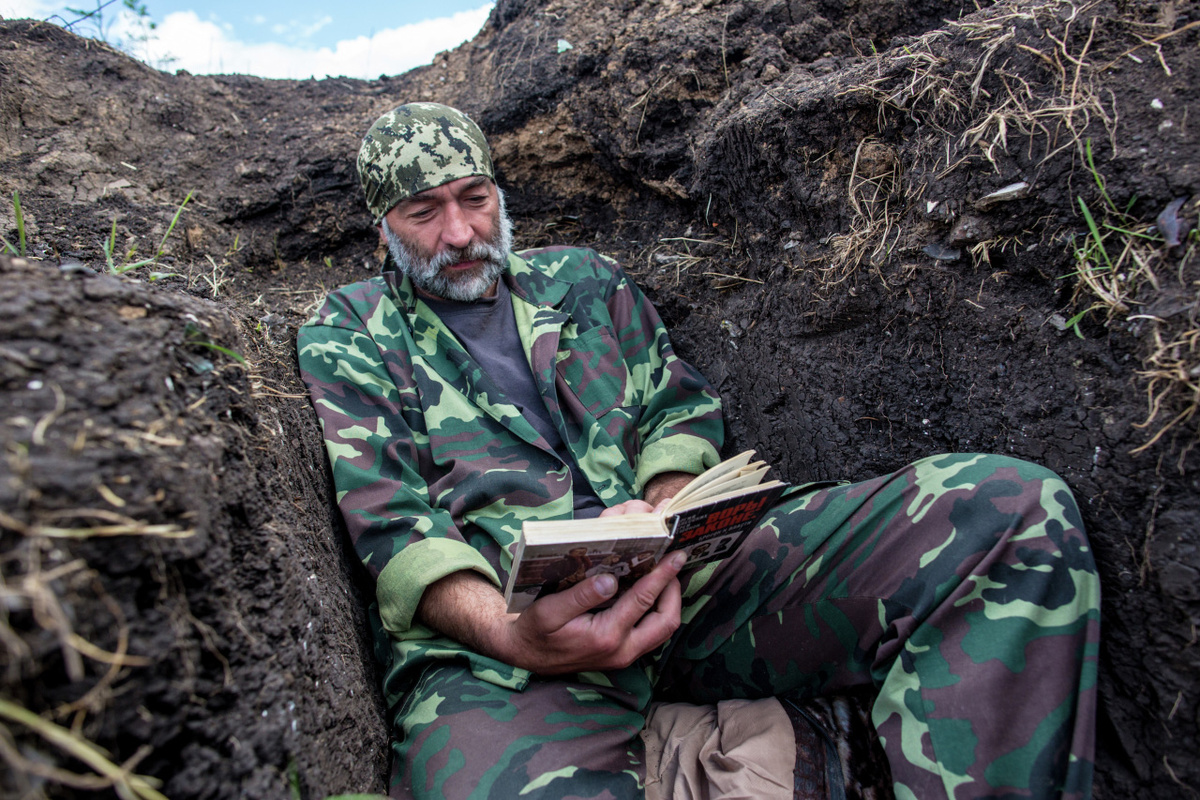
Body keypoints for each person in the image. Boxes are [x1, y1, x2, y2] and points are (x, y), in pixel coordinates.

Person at [298, 103, 1100, 800]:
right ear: (383, 228)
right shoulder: (351, 329)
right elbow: (393, 523)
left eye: (475, 199)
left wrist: (667, 510)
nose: (461, 232)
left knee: (1009, 512)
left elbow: (677, 406)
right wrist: (516, 636)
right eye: (424, 213)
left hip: (696, 581)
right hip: (506, 656)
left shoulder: (585, 280)